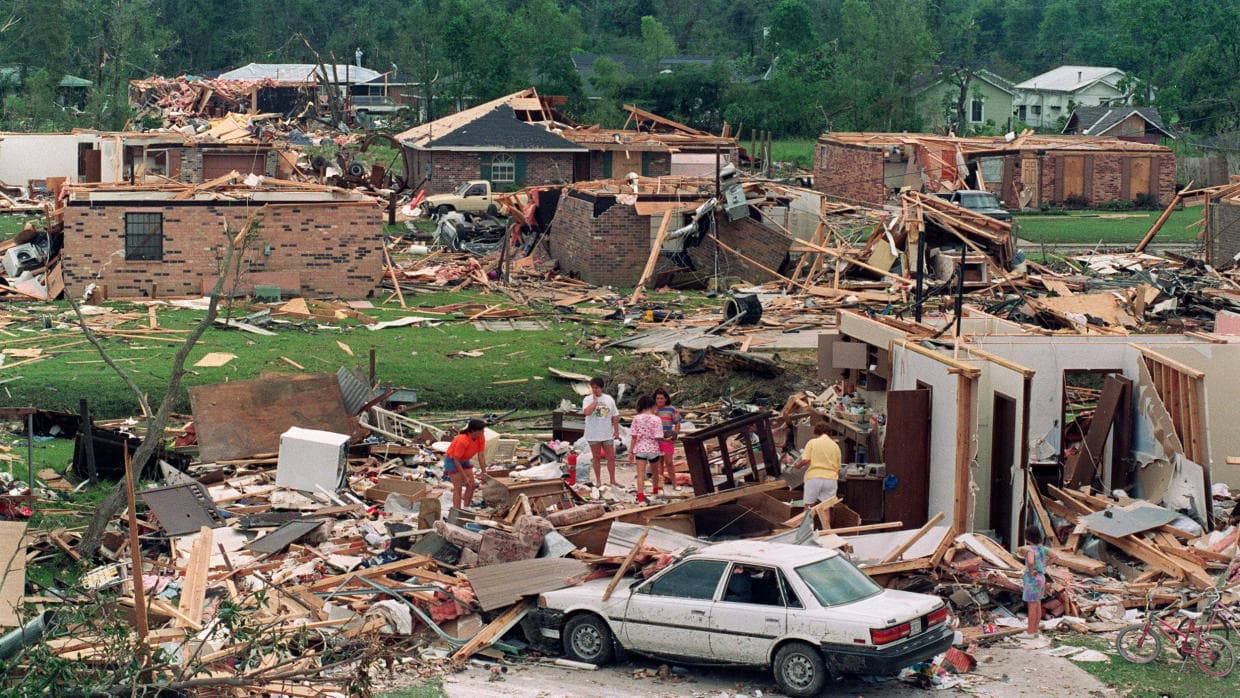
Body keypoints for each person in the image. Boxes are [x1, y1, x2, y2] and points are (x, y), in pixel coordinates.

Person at [581, 377, 619, 486]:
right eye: (592, 388)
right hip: (593, 434)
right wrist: (594, 402)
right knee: (596, 457)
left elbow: (615, 415)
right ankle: (598, 480)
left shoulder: (609, 399)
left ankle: (613, 480)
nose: (594, 390)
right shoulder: (587, 399)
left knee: (611, 457)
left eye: (596, 388)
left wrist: (616, 431)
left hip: (607, 433)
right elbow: (587, 412)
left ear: (601, 388)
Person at [794, 422, 842, 508]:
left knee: (809, 507)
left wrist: (798, 466)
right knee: (826, 508)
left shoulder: (812, 442)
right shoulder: (836, 446)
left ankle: (809, 521)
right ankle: (826, 522)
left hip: (814, 478)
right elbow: (838, 468)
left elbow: (806, 460)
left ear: (817, 432)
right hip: (831, 479)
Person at [443, 419, 487, 510]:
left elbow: (481, 455)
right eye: (481, 430)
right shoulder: (462, 440)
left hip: (465, 459)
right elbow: (456, 460)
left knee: (471, 485)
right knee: (458, 488)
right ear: (474, 431)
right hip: (452, 460)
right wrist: (465, 477)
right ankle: (457, 510)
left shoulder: (480, 437)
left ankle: (466, 508)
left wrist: (484, 472)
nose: (483, 432)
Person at [628, 394, 664, 503]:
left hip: (640, 449)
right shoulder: (657, 419)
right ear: (652, 406)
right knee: (655, 473)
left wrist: (630, 452)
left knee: (640, 475)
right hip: (653, 449)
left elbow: (634, 437)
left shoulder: (636, 418)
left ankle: (640, 498)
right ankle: (655, 492)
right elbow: (658, 437)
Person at [1021, 525, 1048, 639]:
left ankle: (1030, 632)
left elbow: (1031, 562)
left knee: (1031, 606)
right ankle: (1035, 630)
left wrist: (1031, 571)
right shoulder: (1042, 548)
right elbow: (1055, 556)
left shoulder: (1030, 549)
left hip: (1032, 579)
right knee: (1037, 604)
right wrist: (1043, 566)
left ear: (1028, 537)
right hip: (1041, 578)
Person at [653, 388, 682, 491]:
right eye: (657, 398)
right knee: (658, 463)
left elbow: (677, 423)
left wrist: (675, 435)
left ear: (665, 399)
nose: (659, 400)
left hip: (667, 439)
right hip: (656, 440)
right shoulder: (652, 410)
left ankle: (675, 484)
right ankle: (660, 486)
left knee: (669, 462)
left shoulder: (672, 409)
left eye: (661, 398)